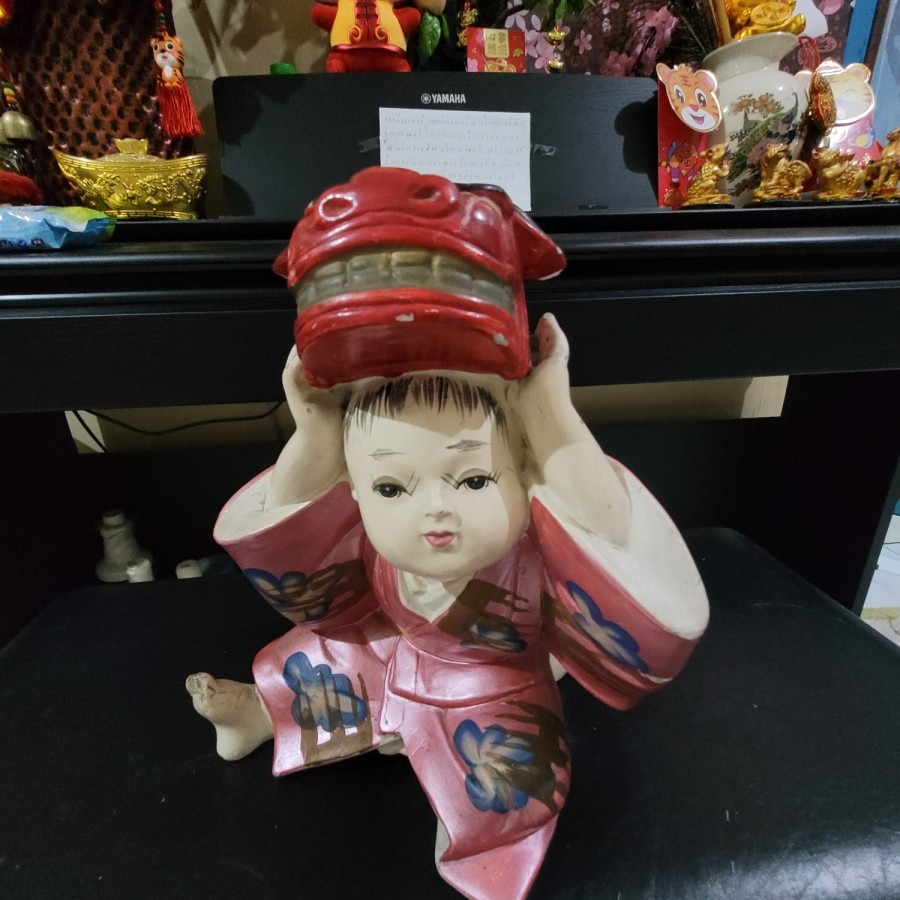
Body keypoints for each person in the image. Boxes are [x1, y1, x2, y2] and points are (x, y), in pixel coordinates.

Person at [187, 312, 708, 900]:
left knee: (508, 786)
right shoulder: (366, 543)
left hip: (492, 685)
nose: (435, 508)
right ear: (353, 491)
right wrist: (313, 432)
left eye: (474, 480)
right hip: (394, 649)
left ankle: (471, 834)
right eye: (391, 488)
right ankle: (257, 714)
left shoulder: (533, 551)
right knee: (317, 654)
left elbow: (607, 525)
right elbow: (293, 542)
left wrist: (548, 410)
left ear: (522, 473)